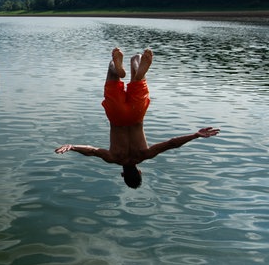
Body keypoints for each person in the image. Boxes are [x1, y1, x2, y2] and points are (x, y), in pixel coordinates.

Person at [55, 47, 219, 188]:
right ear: (122, 175)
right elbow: (92, 151)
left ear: (139, 171)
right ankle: (116, 68)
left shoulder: (145, 154)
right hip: (116, 115)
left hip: (136, 113)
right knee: (112, 69)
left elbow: (172, 143)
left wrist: (195, 135)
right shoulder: (114, 158)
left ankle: (137, 69)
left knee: (137, 58)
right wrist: (72, 146)